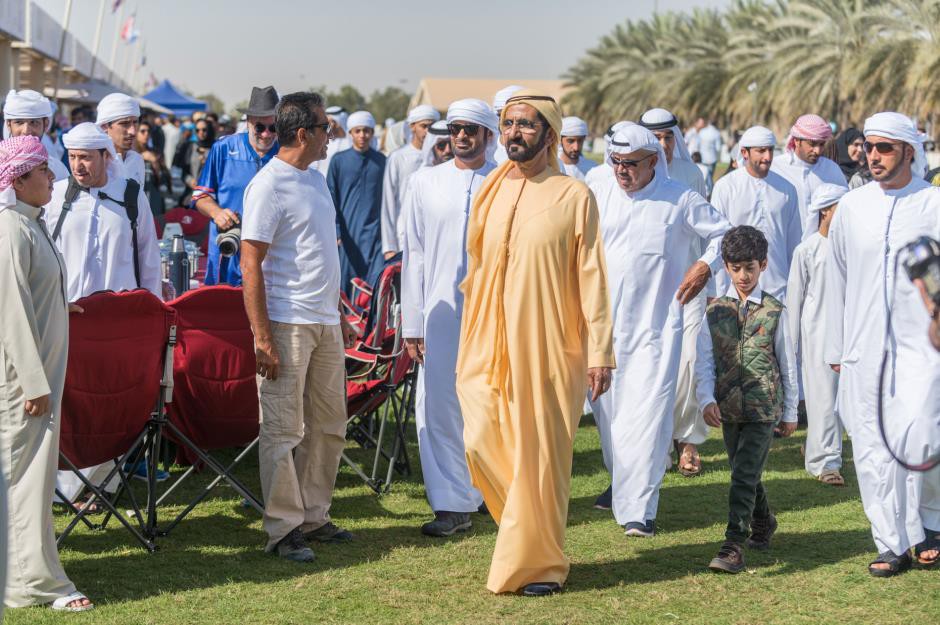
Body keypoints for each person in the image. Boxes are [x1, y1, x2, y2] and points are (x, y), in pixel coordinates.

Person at [456, 89, 614, 596]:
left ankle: (540, 563)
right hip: (488, 338)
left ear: (549, 135)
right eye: (507, 125)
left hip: (550, 345)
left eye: (525, 125)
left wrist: (600, 352)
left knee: (539, 455)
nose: (513, 134)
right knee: (480, 435)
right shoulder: (495, 187)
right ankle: (525, 532)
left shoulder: (574, 196)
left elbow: (593, 277)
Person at [591, 125, 729, 535]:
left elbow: (723, 233)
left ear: (654, 161)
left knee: (649, 418)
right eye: (615, 162)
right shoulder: (597, 193)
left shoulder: (680, 198)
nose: (621, 171)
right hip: (605, 330)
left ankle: (640, 510)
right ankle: (623, 488)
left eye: (631, 164)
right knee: (610, 418)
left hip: (657, 330)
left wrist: (705, 266)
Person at [240, 91, 357, 562]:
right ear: (304, 133)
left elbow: (320, 254)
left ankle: (314, 515)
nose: (333, 135)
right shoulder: (268, 185)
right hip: (286, 323)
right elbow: (251, 264)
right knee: (284, 429)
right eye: (326, 127)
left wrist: (341, 313)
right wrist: (262, 336)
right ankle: (284, 528)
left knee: (329, 426)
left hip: (325, 321)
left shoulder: (314, 179)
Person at [824, 112, 940, 577]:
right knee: (872, 448)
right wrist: (836, 348)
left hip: (923, 349)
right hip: (864, 346)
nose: (873, 155)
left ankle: (929, 522)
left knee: (920, 434)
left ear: (909, 151)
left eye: (884, 148)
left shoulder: (933, 204)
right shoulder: (853, 208)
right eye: (869, 146)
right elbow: (838, 278)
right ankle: (891, 542)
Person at [0, 135, 93, 611]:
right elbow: (11, 313)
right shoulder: (11, 228)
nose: (53, 178)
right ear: (18, 180)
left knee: (33, 478)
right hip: (22, 384)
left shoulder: (29, 224)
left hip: (37, 378)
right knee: (26, 478)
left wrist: (61, 306)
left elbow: (33, 292)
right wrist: (34, 385)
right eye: (43, 172)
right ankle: (32, 585)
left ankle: (29, 576)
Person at [47, 122, 164, 498]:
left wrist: (154, 313)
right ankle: (62, 488)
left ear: (105, 157)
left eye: (85, 158)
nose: (78, 165)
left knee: (112, 401)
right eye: (73, 157)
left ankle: (102, 487)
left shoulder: (130, 195)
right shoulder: (56, 196)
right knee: (71, 401)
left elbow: (149, 257)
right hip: (69, 319)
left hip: (119, 323)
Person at [401, 99, 497, 538]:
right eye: (455, 128)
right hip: (439, 312)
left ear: (488, 135)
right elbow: (415, 254)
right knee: (438, 405)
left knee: (492, 405)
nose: (461, 136)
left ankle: (492, 494)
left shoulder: (506, 181)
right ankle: (451, 504)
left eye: (470, 129)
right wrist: (413, 323)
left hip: (495, 312)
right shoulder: (425, 181)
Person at [695, 225, 798, 574]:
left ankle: (733, 544)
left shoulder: (774, 311)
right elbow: (705, 359)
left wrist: (790, 410)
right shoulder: (714, 312)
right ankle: (764, 520)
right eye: (736, 268)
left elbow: (788, 362)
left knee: (741, 475)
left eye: (750, 267)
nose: (743, 275)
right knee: (746, 471)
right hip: (727, 408)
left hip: (763, 408)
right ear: (726, 266)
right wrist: (706, 398)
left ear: (763, 265)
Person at [640, 107, 711, 479]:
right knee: (652, 362)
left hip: (691, 285)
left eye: (668, 137)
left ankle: (688, 441)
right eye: (655, 139)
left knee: (689, 361)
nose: (663, 145)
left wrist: (709, 283)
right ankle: (656, 442)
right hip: (649, 288)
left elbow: (704, 236)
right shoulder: (633, 176)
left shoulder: (691, 175)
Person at [787, 183, 847, 486]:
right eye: (841, 208)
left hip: (850, 333)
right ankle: (826, 464)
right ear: (826, 210)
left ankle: (820, 451)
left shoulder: (851, 248)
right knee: (822, 399)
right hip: (818, 335)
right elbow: (794, 300)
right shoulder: (806, 250)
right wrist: (791, 345)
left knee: (846, 401)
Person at [193, 86, 280, 285]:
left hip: (269, 257)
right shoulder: (223, 148)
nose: (266, 134)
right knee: (223, 313)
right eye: (260, 127)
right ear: (249, 122)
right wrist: (217, 212)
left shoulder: (285, 154)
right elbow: (200, 196)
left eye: (273, 128)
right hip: (229, 252)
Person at [710, 126, 802, 300]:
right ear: (744, 153)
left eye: (770, 150)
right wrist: (716, 292)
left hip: (777, 289)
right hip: (735, 291)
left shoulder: (787, 189)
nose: (767, 157)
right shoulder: (725, 187)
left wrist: (795, 288)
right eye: (761, 151)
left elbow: (794, 244)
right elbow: (716, 242)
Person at [327, 110, 386, 295]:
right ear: (351, 132)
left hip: (375, 235)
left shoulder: (382, 161)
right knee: (346, 284)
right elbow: (330, 197)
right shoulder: (338, 161)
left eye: (367, 131)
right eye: (358, 131)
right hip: (347, 236)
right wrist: (336, 230)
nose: (362, 135)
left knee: (373, 284)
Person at [770, 114, 847, 240]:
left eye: (821, 144)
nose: (817, 150)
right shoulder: (776, 168)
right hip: (786, 248)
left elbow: (843, 209)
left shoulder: (832, 170)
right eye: (812, 144)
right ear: (796, 141)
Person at [381, 105, 440, 257]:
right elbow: (388, 203)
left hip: (434, 234)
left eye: (432, 126)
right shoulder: (398, 157)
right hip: (404, 234)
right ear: (413, 127)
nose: (428, 131)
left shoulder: (442, 157)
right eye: (424, 126)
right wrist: (389, 247)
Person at [2, 89, 69, 181]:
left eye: (34, 122)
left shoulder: (58, 170)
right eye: (19, 122)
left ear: (45, 125)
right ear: (9, 125)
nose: (26, 131)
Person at [96, 92, 145, 184]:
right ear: (104, 126)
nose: (133, 132)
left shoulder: (136, 160)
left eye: (135, 123)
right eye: (124, 124)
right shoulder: (94, 163)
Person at [134, 119, 165, 215]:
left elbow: (163, 179)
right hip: (136, 199)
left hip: (153, 197)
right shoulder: (130, 153)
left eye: (148, 131)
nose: (146, 134)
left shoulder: (156, 152)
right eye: (142, 131)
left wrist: (155, 162)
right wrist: (140, 157)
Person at [311, 106, 350, 175]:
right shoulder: (322, 142)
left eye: (332, 121)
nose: (330, 125)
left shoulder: (351, 143)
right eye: (326, 122)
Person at [490, 85, 524, 164]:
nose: (513, 128)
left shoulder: (543, 159)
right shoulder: (484, 155)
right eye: (502, 116)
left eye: (518, 119)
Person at [557, 116, 597, 180]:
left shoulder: (593, 168)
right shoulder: (553, 168)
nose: (576, 148)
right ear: (560, 140)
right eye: (570, 141)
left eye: (580, 141)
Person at [696, 117, 723, 182]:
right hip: (712, 158)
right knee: (710, 177)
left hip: (702, 158)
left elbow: (697, 145)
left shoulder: (702, 131)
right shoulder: (717, 133)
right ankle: (709, 191)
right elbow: (718, 147)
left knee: (702, 177)